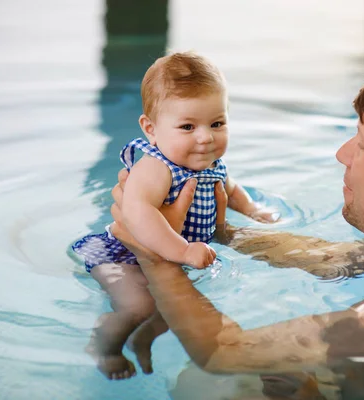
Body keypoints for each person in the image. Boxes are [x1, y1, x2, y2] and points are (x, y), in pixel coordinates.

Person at [109, 61, 364, 396]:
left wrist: (156, 256)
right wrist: (220, 231)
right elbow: (327, 259)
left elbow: (224, 352)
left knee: (208, 387)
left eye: (361, 145)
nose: (342, 154)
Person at [71, 51, 279, 380]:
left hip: (169, 252)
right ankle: (104, 345)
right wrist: (182, 251)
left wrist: (252, 209)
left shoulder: (210, 163)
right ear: (151, 129)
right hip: (121, 255)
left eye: (217, 123)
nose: (205, 137)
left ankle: (142, 338)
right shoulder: (156, 167)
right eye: (187, 126)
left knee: (170, 310)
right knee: (139, 307)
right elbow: (138, 213)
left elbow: (232, 188)